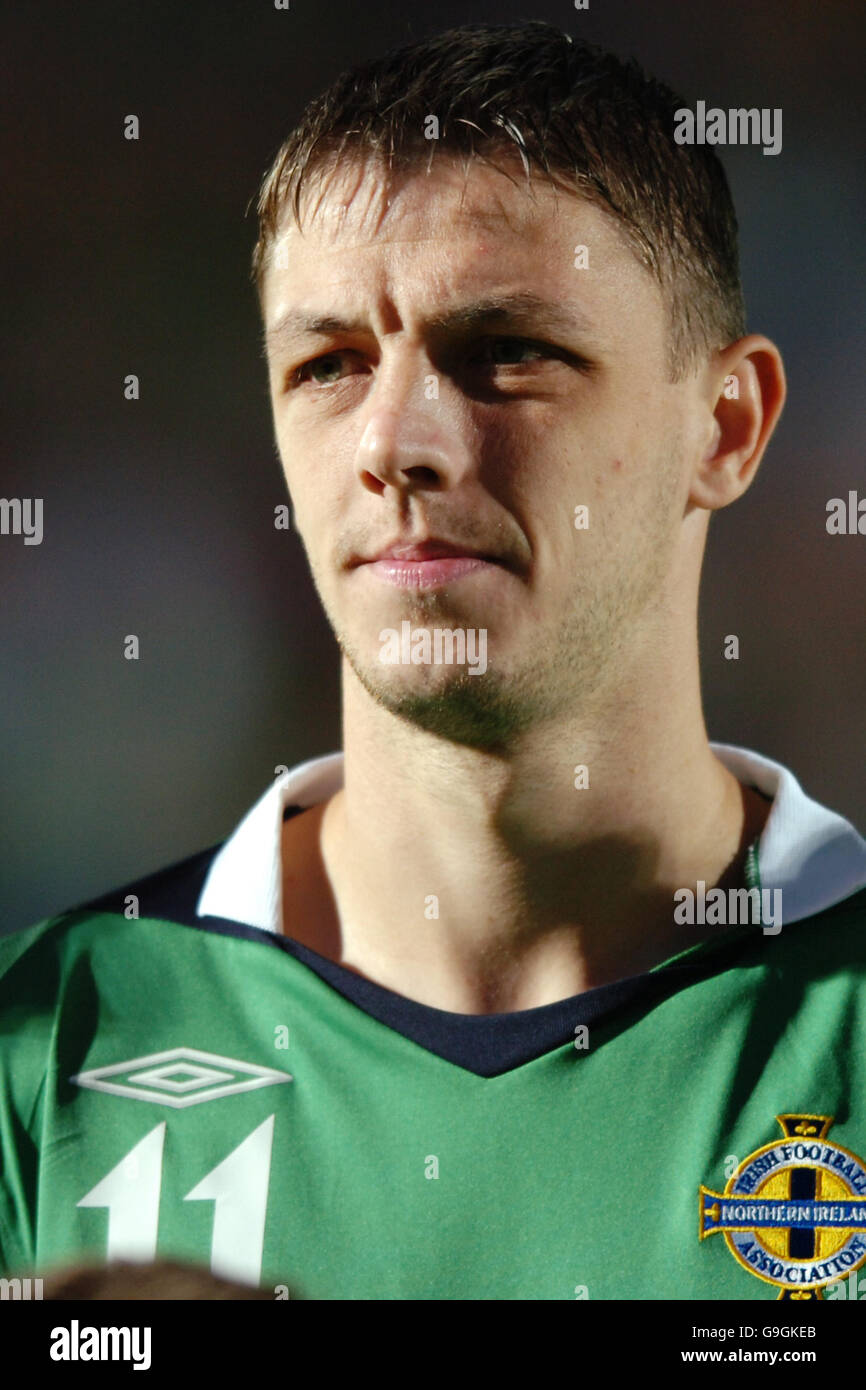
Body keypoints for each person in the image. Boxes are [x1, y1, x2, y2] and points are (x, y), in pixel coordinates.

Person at [2, 21, 864, 1302]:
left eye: (506, 352)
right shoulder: (44, 1039)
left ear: (723, 425)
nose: (393, 441)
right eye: (328, 365)